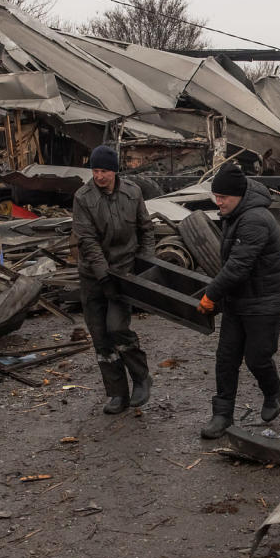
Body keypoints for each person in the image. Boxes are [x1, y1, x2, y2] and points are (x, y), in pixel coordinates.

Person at [196, 164, 280, 439]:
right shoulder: (235, 213)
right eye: (216, 195)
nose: (218, 202)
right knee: (226, 358)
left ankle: (273, 389)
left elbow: (238, 266)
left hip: (266, 302)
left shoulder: (254, 220)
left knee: (257, 358)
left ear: (238, 195)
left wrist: (211, 294)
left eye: (223, 197)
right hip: (239, 300)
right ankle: (222, 415)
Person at [73, 145, 155, 414]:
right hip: (94, 276)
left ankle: (141, 377)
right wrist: (102, 275)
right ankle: (117, 394)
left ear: (114, 171)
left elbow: (146, 230)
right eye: (95, 171)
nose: (99, 176)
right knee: (100, 337)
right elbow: (87, 241)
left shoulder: (132, 193)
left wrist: (145, 265)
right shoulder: (83, 198)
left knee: (117, 327)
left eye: (104, 171)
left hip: (124, 272)